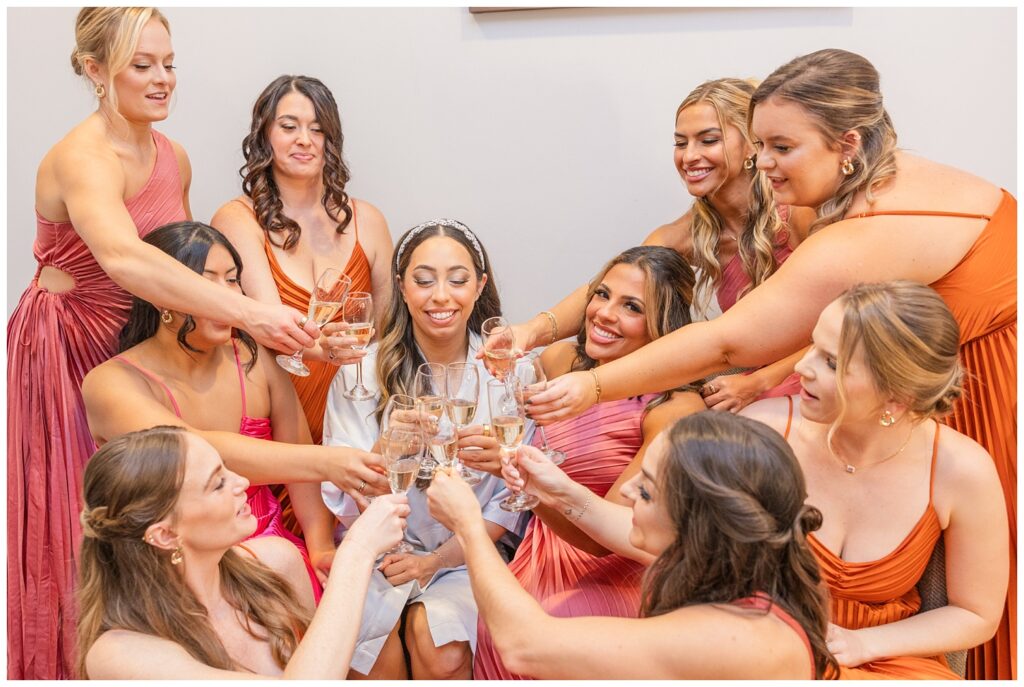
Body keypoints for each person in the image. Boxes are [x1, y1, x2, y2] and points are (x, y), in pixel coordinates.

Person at [529, 48, 1016, 680]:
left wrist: (592, 385)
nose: (762, 165)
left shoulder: (865, 232)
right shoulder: (866, 182)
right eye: (758, 145)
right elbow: (662, 537)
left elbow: (728, 342)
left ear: (847, 143)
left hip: (982, 391)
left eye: (781, 147)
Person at [7, 10, 316, 680]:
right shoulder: (79, 157)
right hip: (70, 345)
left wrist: (254, 324)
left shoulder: (173, 155)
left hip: (140, 344)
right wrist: (254, 315)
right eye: (141, 65)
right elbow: (124, 258)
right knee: (85, 523)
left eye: (169, 62)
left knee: (166, 518)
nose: (162, 79)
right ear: (94, 70)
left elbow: (181, 264)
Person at [83, 221, 390, 602]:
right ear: (161, 293)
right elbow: (196, 450)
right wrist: (331, 462)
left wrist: (320, 545)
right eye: (207, 281)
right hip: (174, 563)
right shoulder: (111, 383)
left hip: (272, 542)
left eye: (232, 280)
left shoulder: (256, 360)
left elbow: (296, 455)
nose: (227, 296)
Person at [427, 411, 837, 679]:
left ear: (696, 521)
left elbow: (524, 646)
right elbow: (620, 526)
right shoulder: (741, 558)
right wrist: (557, 491)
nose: (626, 491)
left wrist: (469, 527)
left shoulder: (741, 637)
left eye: (646, 491)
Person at [742, 281, 1008, 678]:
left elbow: (976, 614)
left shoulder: (962, 471)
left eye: (831, 362)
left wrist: (863, 643)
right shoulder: (762, 433)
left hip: (888, 664)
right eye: (812, 347)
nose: (801, 367)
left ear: (895, 398)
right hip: (760, 649)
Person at [503, 78, 813, 412]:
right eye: (681, 143)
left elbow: (847, 329)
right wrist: (530, 331)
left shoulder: (797, 215)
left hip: (815, 376)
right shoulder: (685, 234)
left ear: (752, 143)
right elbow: (613, 287)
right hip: (744, 388)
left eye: (708, 140)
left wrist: (758, 383)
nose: (690, 156)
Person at [473, 245, 706, 679]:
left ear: (663, 328)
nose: (604, 314)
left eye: (631, 307)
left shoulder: (675, 409)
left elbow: (613, 535)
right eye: (602, 295)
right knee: (490, 623)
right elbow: (516, 426)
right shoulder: (563, 362)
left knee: (540, 626)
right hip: (538, 550)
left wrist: (525, 483)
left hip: (612, 569)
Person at [321, 219, 524, 679]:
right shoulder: (361, 374)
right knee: (366, 656)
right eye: (424, 279)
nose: (440, 296)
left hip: (466, 555)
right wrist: (387, 446)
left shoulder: (510, 374)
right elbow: (340, 493)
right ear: (402, 287)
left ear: (480, 286)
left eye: (457, 280)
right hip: (377, 551)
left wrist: (435, 561)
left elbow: (509, 506)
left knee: (442, 646)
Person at [76, 425, 411, 679]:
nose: (242, 483)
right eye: (217, 483)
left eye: (226, 468)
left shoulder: (276, 564)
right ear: (165, 534)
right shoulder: (118, 654)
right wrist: (356, 553)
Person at [211, 74, 394, 446]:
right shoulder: (238, 219)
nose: (304, 140)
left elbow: (390, 329)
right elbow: (270, 327)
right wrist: (322, 349)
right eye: (289, 126)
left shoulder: (368, 220)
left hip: (358, 413)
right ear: (265, 135)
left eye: (317, 128)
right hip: (280, 411)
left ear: (331, 139)